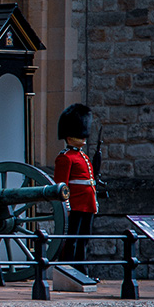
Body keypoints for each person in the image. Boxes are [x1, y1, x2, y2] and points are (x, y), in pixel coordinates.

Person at [53, 102, 98, 269]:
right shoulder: (65, 157)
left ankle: (82, 269)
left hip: (87, 204)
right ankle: (68, 268)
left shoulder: (83, 157)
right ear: (69, 136)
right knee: (72, 239)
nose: (83, 137)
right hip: (75, 204)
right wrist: (66, 206)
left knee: (84, 239)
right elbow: (61, 185)